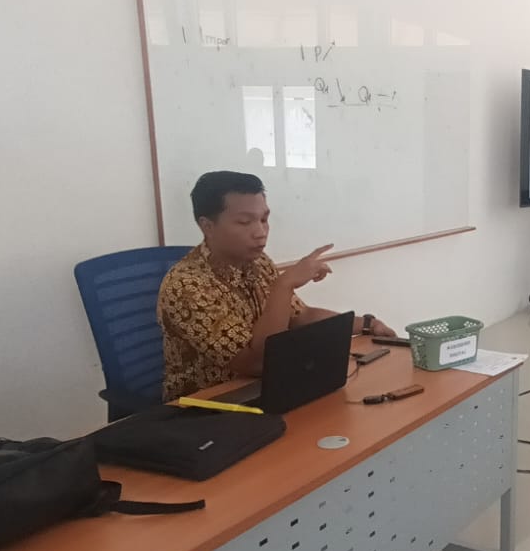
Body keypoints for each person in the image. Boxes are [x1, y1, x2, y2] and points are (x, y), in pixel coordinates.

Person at [158, 171, 396, 401]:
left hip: (265, 388)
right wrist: (284, 285)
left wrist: (366, 324)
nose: (260, 232)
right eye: (244, 222)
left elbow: (298, 316)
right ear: (207, 226)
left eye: (264, 219)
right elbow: (257, 362)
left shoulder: (257, 261)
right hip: (207, 406)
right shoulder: (186, 286)